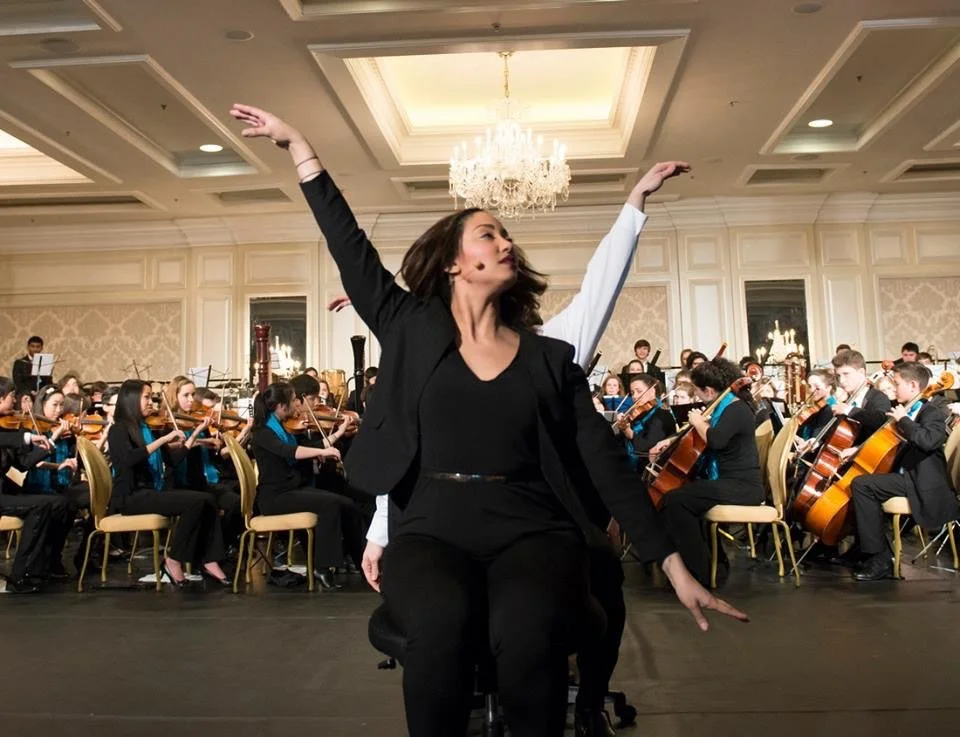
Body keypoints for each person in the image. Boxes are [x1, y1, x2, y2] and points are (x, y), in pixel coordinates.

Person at [231, 103, 746, 737]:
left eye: (507, 235)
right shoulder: (411, 329)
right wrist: (300, 147)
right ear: (452, 261)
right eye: (488, 233)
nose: (505, 242)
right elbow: (351, 248)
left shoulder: (548, 358)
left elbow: (606, 467)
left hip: (533, 528)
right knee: (438, 630)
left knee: (528, 632)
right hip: (432, 528)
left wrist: (673, 567)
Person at [648, 359, 764, 587]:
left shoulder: (736, 408)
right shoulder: (725, 408)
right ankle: (715, 565)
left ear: (709, 390)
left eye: (699, 392)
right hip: (728, 482)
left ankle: (696, 574)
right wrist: (670, 440)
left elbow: (717, 440)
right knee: (683, 495)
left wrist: (698, 421)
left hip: (743, 487)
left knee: (676, 500)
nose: (699, 398)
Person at [107, 380, 229, 586]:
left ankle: (209, 559)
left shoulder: (146, 428)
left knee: (208, 499)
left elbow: (171, 462)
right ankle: (174, 558)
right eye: (146, 397)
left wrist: (189, 441)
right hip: (131, 497)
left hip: (150, 493)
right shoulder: (118, 429)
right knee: (196, 501)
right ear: (131, 399)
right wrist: (163, 441)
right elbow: (126, 460)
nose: (151, 402)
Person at [249, 382, 365, 589]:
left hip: (290, 491)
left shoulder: (280, 427)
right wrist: (321, 453)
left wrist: (338, 433)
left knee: (347, 504)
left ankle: (363, 562)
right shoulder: (262, 432)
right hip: (275, 497)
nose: (297, 404)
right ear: (281, 405)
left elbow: (308, 446)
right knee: (330, 505)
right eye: (294, 400)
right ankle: (323, 567)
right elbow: (289, 451)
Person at [850, 363, 959, 581]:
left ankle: (880, 559)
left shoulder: (933, 410)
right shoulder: (908, 408)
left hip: (922, 481)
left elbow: (928, 440)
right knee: (859, 481)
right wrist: (856, 450)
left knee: (863, 485)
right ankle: (868, 549)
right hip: (907, 476)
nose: (894, 388)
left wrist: (904, 420)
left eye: (897, 384)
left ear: (912, 385)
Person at [0, 376, 72, 592]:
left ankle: (42, 567)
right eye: (12, 397)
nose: (15, 403)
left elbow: (24, 464)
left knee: (60, 503)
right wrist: (28, 439)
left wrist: (48, 442)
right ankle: (19, 576)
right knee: (40, 506)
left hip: (6, 491)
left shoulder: (10, 427)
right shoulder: (11, 434)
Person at [618, 374, 676, 473]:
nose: (635, 396)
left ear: (652, 391)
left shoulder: (662, 415)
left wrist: (629, 432)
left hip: (649, 472)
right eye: (632, 392)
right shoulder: (638, 413)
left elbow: (648, 448)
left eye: (639, 391)